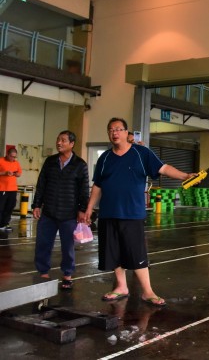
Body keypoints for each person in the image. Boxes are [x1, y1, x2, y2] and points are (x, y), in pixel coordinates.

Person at [84, 117, 195, 306]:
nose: (114, 133)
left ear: (127, 133)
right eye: (111, 130)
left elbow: (163, 168)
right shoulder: (105, 158)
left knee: (136, 254)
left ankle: (147, 292)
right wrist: (89, 208)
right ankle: (121, 287)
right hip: (108, 213)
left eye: (118, 129)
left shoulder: (141, 153)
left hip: (132, 214)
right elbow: (98, 185)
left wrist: (185, 176)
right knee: (113, 253)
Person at [32, 131, 89, 289]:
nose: (59, 143)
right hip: (49, 212)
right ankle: (43, 273)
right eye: (58, 139)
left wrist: (82, 210)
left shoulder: (80, 165)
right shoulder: (50, 162)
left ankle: (67, 274)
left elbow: (84, 191)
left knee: (67, 246)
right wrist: (37, 205)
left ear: (72, 144)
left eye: (63, 140)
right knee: (43, 244)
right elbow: (41, 184)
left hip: (69, 214)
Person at [0, 147, 22, 232]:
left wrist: (16, 174)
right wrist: (4, 173)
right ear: (7, 154)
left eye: (14, 157)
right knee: (1, 207)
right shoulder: (1, 161)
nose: (13, 159)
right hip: (2, 189)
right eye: (12, 157)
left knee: (10, 206)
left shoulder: (16, 163)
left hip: (12, 189)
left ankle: (5, 223)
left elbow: (19, 173)